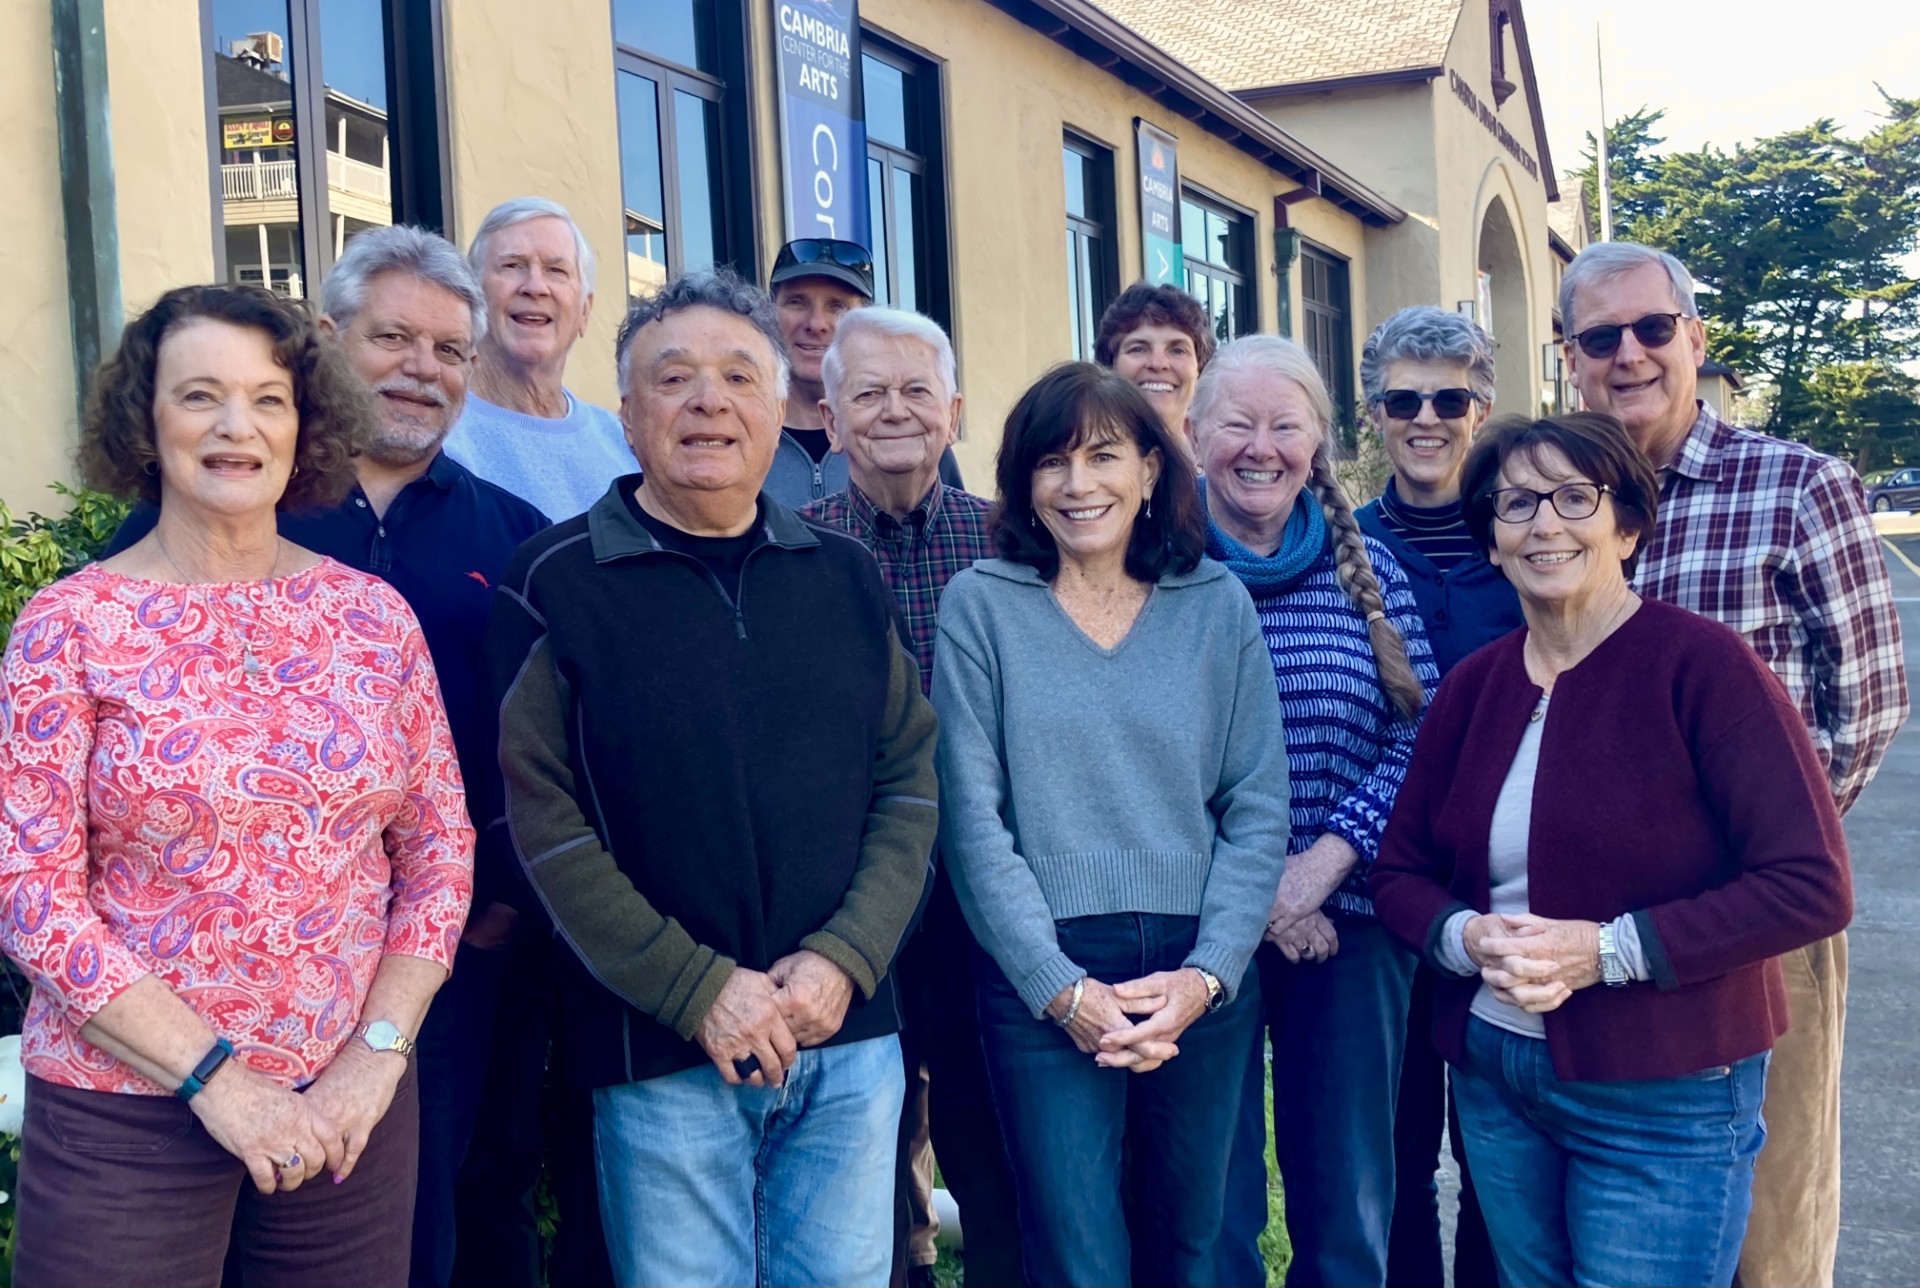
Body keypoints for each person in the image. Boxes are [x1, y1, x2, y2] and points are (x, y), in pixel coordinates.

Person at [94, 227, 551, 1288]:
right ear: (330, 344)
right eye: (393, 337)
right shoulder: (211, 516)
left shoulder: (518, 537)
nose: (422, 368)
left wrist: (498, 911)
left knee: (447, 1217)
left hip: (447, 960)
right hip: (185, 990)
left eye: (448, 349)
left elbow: (551, 748)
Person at [0, 284, 474, 1286]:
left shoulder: (373, 618)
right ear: (146, 420)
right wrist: (219, 1081)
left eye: (267, 399)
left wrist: (377, 1056)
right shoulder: (69, 626)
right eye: (200, 395)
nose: (235, 427)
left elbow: (439, 857)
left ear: (305, 425)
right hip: (126, 1110)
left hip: (348, 1109)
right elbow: (30, 895)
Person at [481, 268, 939, 1287]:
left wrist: (846, 957)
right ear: (627, 414)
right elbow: (538, 824)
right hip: (658, 1051)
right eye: (673, 378)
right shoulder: (551, 582)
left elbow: (908, 780)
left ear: (782, 410)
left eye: (739, 376)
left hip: (847, 1031)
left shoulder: (844, 576)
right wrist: (694, 989)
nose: (708, 402)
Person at [1371, 410, 1854, 1287]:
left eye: (1573, 497)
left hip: (1665, 1084)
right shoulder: (1475, 690)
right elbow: (1400, 873)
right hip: (1498, 1073)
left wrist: (1607, 951)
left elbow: (1808, 884)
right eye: (1515, 505)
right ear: (1490, 541)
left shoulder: (1704, 669)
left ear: (1627, 526)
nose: (1544, 523)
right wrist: (1463, 937)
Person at [1559, 240, 1907, 1288]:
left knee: (1770, 1227)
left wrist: (1770, 864)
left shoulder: (1798, 486)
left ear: (1695, 339)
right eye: (1600, 336)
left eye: (1652, 329)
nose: (1630, 354)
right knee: (1625, 1225)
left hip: (1760, 931)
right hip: (1595, 938)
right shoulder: (1563, 506)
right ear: (1570, 358)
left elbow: (1872, 702)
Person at [933, 361, 1291, 1288]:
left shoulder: (1216, 606)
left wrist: (1208, 976)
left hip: (1196, 970)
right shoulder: (980, 606)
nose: (1079, 483)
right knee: (1076, 1255)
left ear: (1150, 472)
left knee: (1192, 1248)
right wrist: (1062, 991)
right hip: (1043, 973)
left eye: (1103, 456)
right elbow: (973, 822)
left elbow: (1256, 809)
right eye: (1052, 462)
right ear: (1022, 482)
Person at [1194, 336, 1436, 1288]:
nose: (1261, 447)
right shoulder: (1148, 571)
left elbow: (1426, 736)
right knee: (1210, 1209)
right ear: (1193, 433)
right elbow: (1125, 751)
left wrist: (1322, 865)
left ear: (1318, 443)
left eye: (1285, 425)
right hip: (1197, 927)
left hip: (1353, 923)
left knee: (1345, 1208)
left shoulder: (1368, 572)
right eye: (1237, 424)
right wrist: (1258, 897)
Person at [799, 308, 1024, 1288]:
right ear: (831, 418)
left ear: (954, 411)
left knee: (991, 1136)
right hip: (849, 900)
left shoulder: (1013, 542)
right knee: (860, 1147)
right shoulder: (790, 550)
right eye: (869, 393)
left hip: (988, 896)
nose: (895, 410)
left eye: (916, 390)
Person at [1352, 306, 1517, 1288]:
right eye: (1403, 399)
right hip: (1389, 898)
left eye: (1447, 399)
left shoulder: (1524, 537)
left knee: (1497, 1152)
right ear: (1375, 414)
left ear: (1480, 408)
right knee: (1399, 1154)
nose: (1426, 418)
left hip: (1510, 894)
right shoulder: (1340, 548)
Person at [441, 197, 636, 520]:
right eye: (513, 265)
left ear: (585, 311)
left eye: (556, 270)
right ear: (473, 299)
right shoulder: (438, 441)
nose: (535, 287)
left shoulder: (624, 444)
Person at [766, 237, 961, 507]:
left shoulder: (914, 436)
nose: (816, 323)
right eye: (797, 302)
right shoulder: (746, 436)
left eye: (838, 306)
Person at [1094, 281, 1215, 448]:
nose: (1158, 364)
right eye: (1138, 349)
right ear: (1109, 366)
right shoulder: (1077, 466)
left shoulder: (1223, 468)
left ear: (1200, 370)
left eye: (1178, 351)